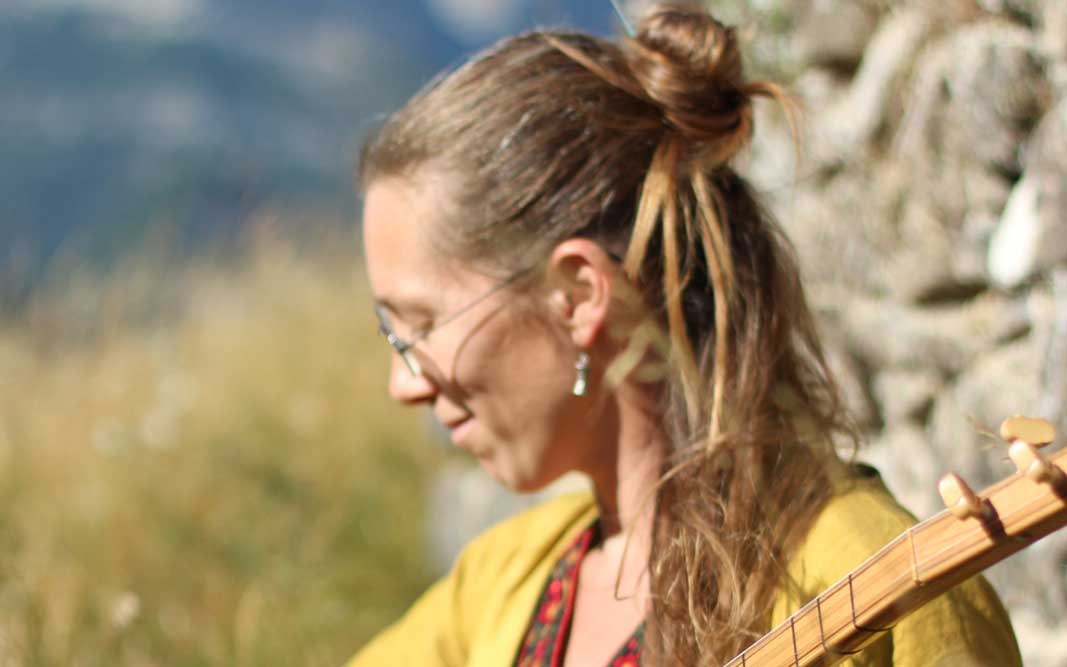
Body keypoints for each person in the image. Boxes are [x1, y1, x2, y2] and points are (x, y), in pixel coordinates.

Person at [350, 4, 1022, 666]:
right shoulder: (500, 582)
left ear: (578, 294)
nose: (402, 382)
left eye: (422, 324)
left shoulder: (890, 588)